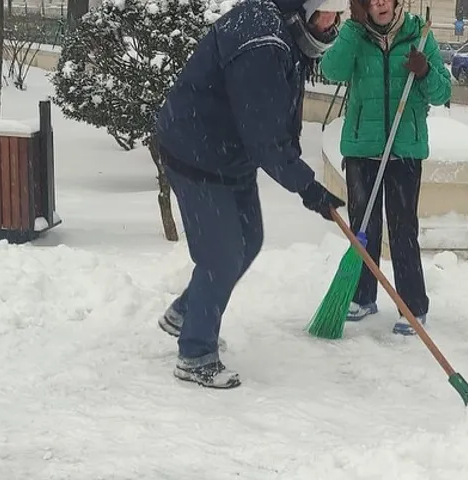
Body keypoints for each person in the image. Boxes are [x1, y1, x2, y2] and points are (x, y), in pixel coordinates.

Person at [153, 0, 348, 389]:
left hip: (229, 156)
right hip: (197, 153)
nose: (333, 24)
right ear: (306, 10)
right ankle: (195, 353)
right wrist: (309, 189)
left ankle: (187, 311)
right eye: (329, 14)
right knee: (222, 255)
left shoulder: (279, 28)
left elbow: (271, 124)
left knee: (250, 239)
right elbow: (266, 138)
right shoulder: (263, 41)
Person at [319, 0, 451, 335]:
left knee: (403, 229)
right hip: (363, 148)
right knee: (364, 227)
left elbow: (443, 92)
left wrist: (424, 72)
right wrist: (351, 27)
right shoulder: (355, 35)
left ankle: (412, 306)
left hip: (404, 150)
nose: (379, 2)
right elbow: (331, 70)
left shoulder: (419, 35)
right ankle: (363, 296)